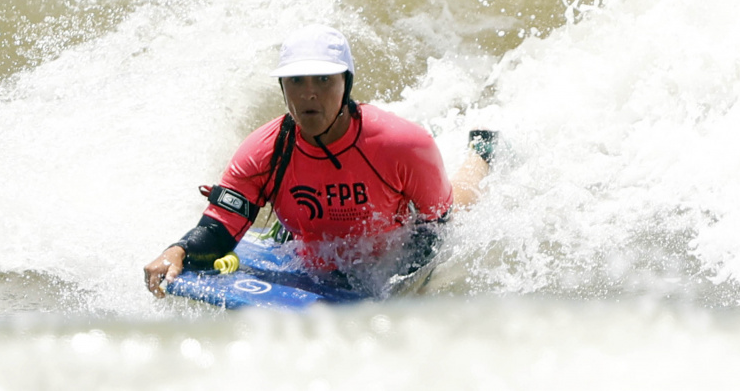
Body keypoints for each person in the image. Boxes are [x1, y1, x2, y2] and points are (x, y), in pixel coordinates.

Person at [144, 24, 495, 297]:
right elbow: (219, 227)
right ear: (283, 87)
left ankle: (481, 152)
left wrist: (401, 287)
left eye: (324, 79)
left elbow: (436, 226)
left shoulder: (404, 145)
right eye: (296, 81)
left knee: (460, 201)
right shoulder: (263, 152)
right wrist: (178, 250)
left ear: (347, 84)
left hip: (395, 235)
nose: (309, 94)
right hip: (307, 243)